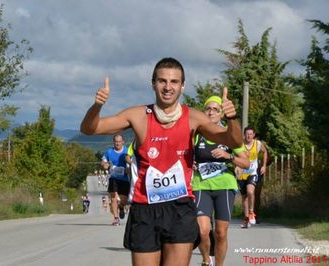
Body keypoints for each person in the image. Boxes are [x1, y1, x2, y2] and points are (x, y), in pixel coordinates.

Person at [80, 57, 242, 266]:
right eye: (162, 81)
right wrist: (96, 106)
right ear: (153, 83)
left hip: (180, 208)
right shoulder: (137, 115)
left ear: (182, 86)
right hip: (144, 209)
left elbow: (233, 140)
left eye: (174, 82)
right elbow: (89, 129)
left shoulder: (193, 117)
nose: (168, 87)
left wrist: (232, 118)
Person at [192, 96, 250, 266]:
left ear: (222, 114)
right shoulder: (196, 135)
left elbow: (246, 162)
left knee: (221, 233)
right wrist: (190, 162)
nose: (211, 112)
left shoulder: (229, 136)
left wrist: (228, 156)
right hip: (200, 185)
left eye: (216, 109)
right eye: (208, 109)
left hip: (224, 186)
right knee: (202, 231)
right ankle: (205, 260)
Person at [236, 126, 268, 228]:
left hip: (252, 172)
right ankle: (246, 220)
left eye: (251, 134)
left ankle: (251, 213)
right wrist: (237, 166)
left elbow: (265, 152)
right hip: (242, 173)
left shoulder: (258, 144)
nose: (249, 136)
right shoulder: (240, 144)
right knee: (244, 198)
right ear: (244, 135)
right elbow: (235, 156)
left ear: (254, 135)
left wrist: (263, 165)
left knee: (251, 191)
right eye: (247, 134)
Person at [101, 134, 129, 225]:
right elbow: (103, 160)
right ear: (113, 142)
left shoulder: (127, 151)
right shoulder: (109, 152)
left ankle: (121, 207)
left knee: (123, 200)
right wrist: (104, 164)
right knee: (113, 198)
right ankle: (116, 218)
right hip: (113, 177)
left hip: (124, 178)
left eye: (119, 142)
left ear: (123, 142)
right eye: (116, 142)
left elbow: (132, 161)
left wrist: (129, 166)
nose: (117, 144)